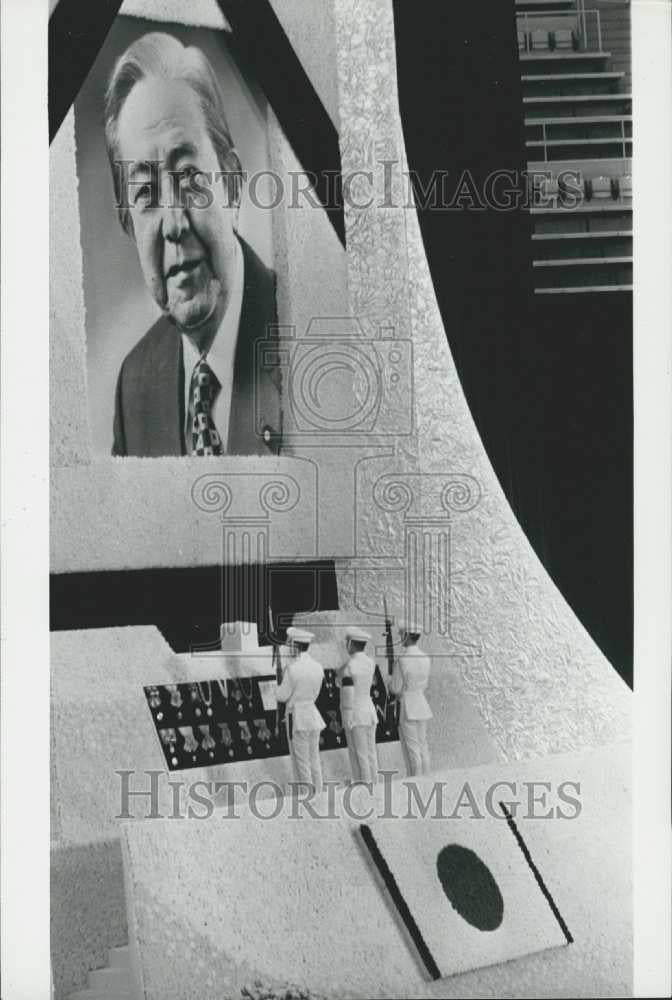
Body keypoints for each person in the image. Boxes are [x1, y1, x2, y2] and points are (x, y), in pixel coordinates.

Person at [103, 32, 282, 457]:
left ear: (233, 185)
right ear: (128, 223)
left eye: (189, 178)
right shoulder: (135, 385)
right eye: (145, 194)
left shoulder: (304, 332)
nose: (173, 223)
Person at [276, 627, 325, 794]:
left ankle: (307, 797)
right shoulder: (318, 667)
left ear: (294, 646)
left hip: (297, 717)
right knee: (314, 760)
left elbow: (282, 696)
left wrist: (281, 679)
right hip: (312, 713)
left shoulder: (293, 669)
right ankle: (318, 794)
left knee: (301, 762)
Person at [336, 627, 379, 784]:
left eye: (348, 642)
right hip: (369, 711)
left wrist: (346, 719)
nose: (346, 644)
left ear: (352, 644)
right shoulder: (370, 663)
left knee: (359, 755)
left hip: (355, 714)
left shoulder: (349, 667)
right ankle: (375, 785)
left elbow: (345, 692)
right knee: (370, 753)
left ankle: (365, 788)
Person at [389, 623, 432, 776]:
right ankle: (427, 780)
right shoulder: (426, 658)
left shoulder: (402, 660)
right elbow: (425, 684)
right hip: (421, 703)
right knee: (423, 746)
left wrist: (391, 680)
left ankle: (416, 782)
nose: (401, 637)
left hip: (408, 706)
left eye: (402, 635)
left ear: (407, 636)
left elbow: (395, 688)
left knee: (412, 750)